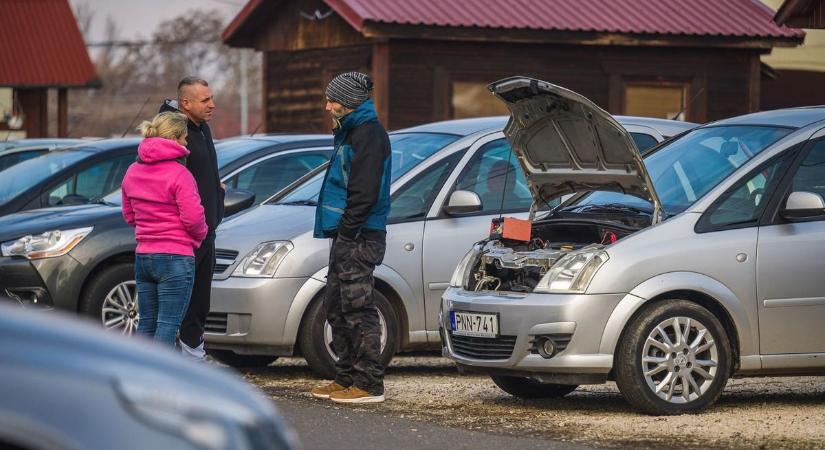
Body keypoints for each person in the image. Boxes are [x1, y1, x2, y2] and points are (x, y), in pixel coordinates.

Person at [310, 72, 392, 404]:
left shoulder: (369, 135)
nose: (327, 105)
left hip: (361, 235)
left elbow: (365, 191)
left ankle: (370, 384)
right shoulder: (350, 132)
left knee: (358, 308)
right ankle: (345, 378)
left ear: (350, 102)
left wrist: (347, 231)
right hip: (347, 235)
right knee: (336, 305)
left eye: (333, 100)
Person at [121, 112, 207, 346]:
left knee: (146, 323)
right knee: (168, 325)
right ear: (176, 138)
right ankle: (159, 381)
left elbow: (129, 216)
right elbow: (193, 218)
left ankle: (138, 375)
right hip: (175, 256)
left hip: (144, 255)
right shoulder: (180, 174)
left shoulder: (132, 171)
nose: (187, 143)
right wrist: (201, 234)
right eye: (185, 138)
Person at [159, 77, 223, 359]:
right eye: (205, 100)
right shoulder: (173, 131)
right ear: (185, 103)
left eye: (211, 98)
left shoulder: (202, 128)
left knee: (200, 302)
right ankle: (170, 362)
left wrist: (216, 191)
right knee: (177, 304)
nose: (212, 104)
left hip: (206, 231)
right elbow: (167, 184)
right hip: (184, 236)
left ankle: (194, 353)